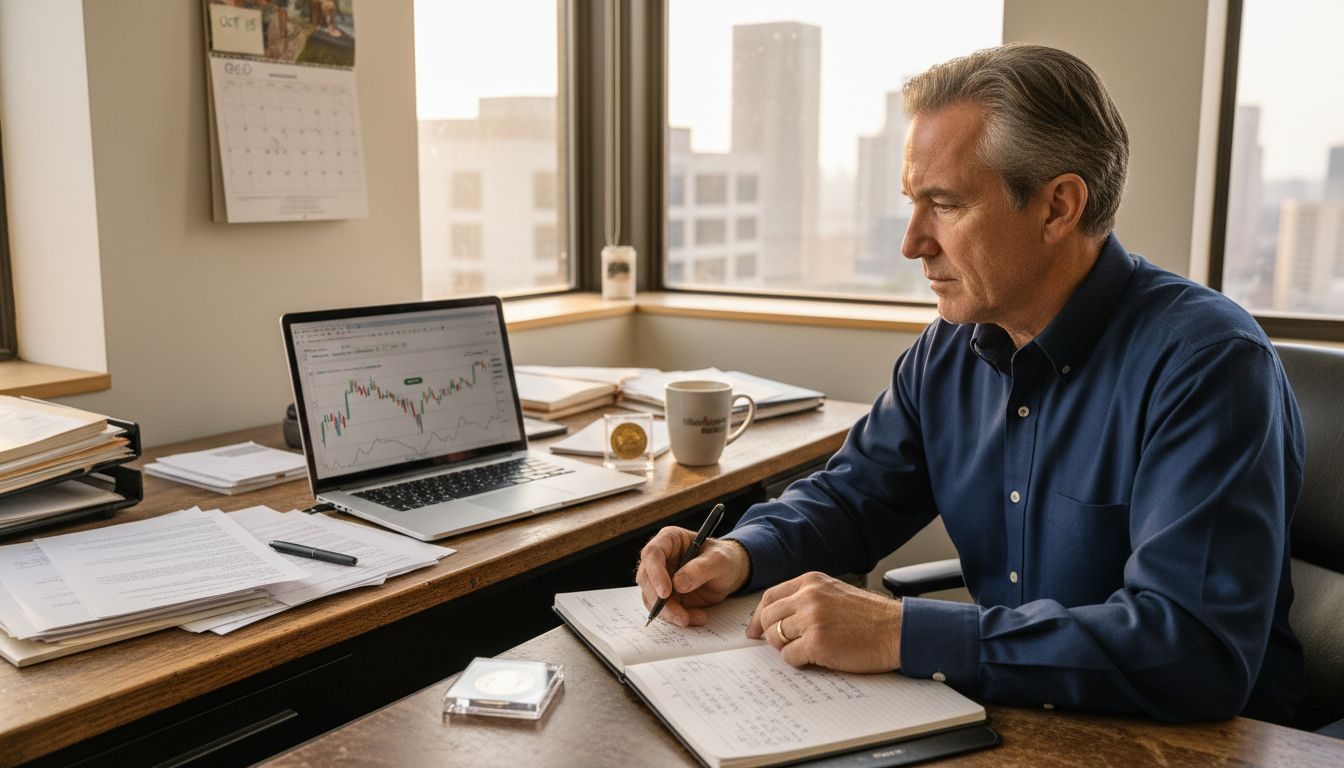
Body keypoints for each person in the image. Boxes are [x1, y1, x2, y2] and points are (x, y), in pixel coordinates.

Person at [635, 43, 1304, 725]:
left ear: (1057, 207)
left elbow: (1191, 650)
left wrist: (900, 632)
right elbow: (854, 496)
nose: (912, 242)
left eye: (944, 204)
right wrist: (740, 552)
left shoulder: (1208, 363)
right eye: (911, 202)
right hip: (1022, 722)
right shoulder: (951, 346)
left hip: (1201, 744)